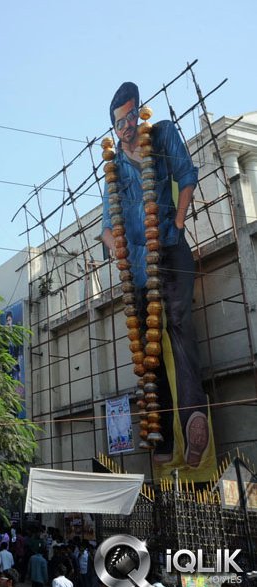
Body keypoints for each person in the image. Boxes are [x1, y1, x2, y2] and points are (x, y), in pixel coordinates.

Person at [100, 81, 210, 468]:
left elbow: (187, 175)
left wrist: (177, 223)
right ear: (114, 128)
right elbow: (107, 227)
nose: (127, 126)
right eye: (120, 122)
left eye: (131, 116)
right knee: (150, 350)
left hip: (170, 246)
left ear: (139, 111)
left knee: (180, 326)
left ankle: (194, 422)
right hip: (137, 267)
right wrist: (117, 249)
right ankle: (161, 435)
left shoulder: (161, 134)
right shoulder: (113, 169)